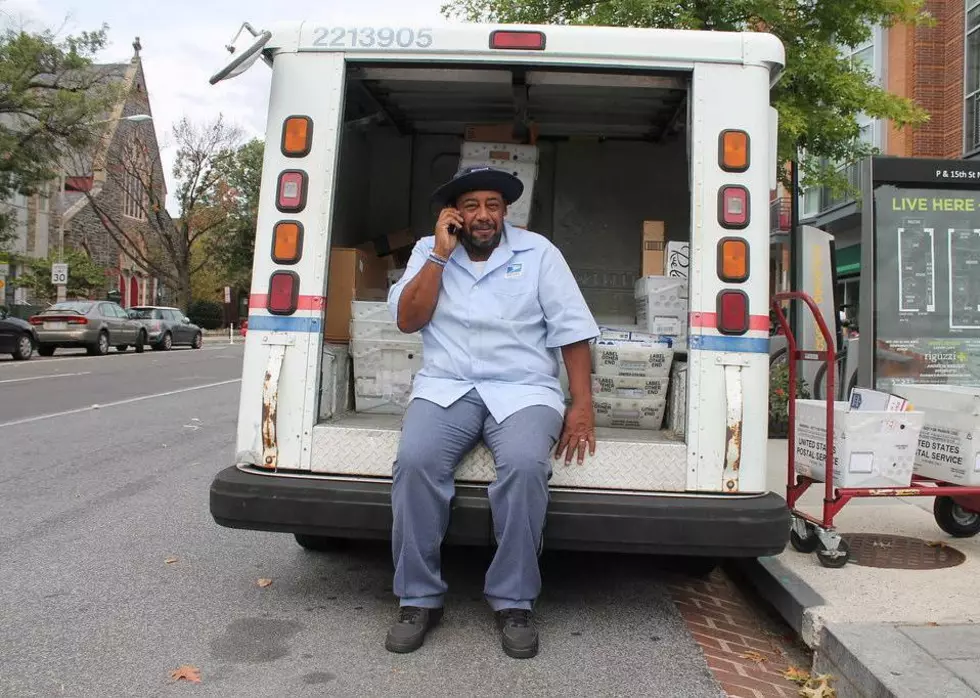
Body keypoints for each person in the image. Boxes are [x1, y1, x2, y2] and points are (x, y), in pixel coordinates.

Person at [384, 164, 600, 660]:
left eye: (493, 206)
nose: (483, 216)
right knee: (415, 463)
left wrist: (581, 406)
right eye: (473, 206)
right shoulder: (427, 251)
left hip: (523, 389)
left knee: (525, 467)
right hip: (447, 386)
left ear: (505, 212)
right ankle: (418, 597)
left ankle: (514, 600)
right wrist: (440, 255)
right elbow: (406, 319)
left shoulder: (538, 253)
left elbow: (572, 329)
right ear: (454, 213)